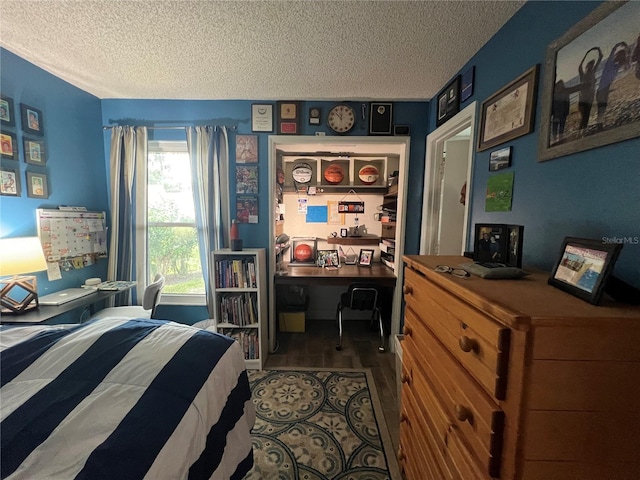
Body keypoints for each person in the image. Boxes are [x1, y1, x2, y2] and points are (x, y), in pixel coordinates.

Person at [596, 42, 629, 127]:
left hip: (605, 90)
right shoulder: (610, 62)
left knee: (603, 108)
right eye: (621, 56)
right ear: (618, 55)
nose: (621, 58)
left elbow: (627, 65)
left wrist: (627, 49)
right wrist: (621, 43)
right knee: (601, 109)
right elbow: (613, 49)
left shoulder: (617, 66)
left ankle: (600, 125)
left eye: (622, 57)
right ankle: (599, 126)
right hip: (601, 90)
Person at [578, 47, 603, 134]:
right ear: (587, 66)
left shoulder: (593, 72)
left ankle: (583, 132)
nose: (591, 67)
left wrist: (598, 49)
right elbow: (580, 66)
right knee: (584, 116)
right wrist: (586, 54)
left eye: (592, 65)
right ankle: (581, 132)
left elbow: (600, 57)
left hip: (590, 98)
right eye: (590, 65)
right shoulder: (582, 75)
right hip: (582, 99)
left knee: (586, 115)